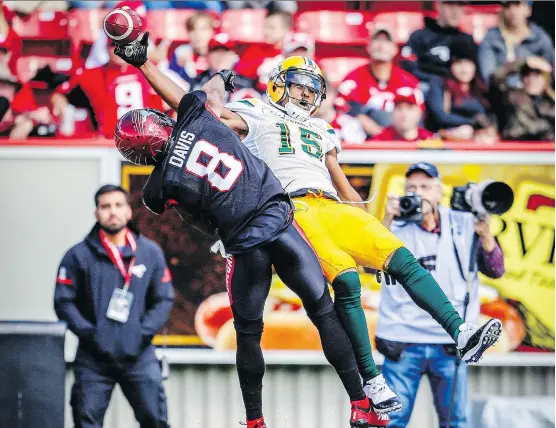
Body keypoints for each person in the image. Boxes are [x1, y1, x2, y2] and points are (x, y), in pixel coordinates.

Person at [111, 33, 389, 428]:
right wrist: (216, 78)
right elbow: (197, 98)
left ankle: (255, 421)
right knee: (323, 310)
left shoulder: (157, 189)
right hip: (278, 220)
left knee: (247, 334)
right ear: (159, 123)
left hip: (242, 242)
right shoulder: (195, 116)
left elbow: (189, 215)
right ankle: (361, 401)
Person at [220, 55, 503, 414]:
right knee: (347, 281)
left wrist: (370, 228)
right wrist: (214, 85)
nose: (306, 95)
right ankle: (371, 378)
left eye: (312, 89)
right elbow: (210, 117)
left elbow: (345, 187)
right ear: (278, 83)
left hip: (333, 206)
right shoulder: (255, 111)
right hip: (291, 208)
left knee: (401, 258)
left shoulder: (322, 128)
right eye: (299, 86)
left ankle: (461, 333)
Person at [376, 162, 505, 428]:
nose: (418, 193)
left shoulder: (462, 220)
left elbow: (496, 269)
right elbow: (369, 265)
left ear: (439, 192)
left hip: (453, 342)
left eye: (425, 187)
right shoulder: (391, 227)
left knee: (456, 421)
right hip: (403, 340)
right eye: (411, 188)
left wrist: (485, 233)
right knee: (391, 421)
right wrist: (386, 219)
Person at [54, 184, 174, 428]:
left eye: (118, 205)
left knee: (155, 420)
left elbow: (164, 299)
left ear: (129, 211)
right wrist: (90, 334)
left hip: (140, 356)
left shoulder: (150, 253)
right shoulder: (77, 255)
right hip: (93, 359)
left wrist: (141, 333)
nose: (112, 212)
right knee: (86, 422)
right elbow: (63, 301)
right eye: (105, 206)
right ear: (96, 214)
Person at [337, 25, 422, 138]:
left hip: (399, 139)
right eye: (377, 40)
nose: (381, 46)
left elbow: (417, 115)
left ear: (395, 49)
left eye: (387, 41)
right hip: (364, 141)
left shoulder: (408, 82)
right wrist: (381, 135)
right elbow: (343, 109)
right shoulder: (353, 79)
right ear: (368, 46)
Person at [400, 1, 475, 90]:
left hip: (457, 95)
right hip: (426, 89)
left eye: (460, 5)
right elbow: (408, 67)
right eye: (450, 4)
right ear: (438, 5)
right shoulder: (419, 36)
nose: (455, 11)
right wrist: (432, 78)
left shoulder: (467, 40)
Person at [478, 0, 554, 87]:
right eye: (507, 6)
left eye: (517, 4)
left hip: (533, 96)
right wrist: (522, 63)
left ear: (528, 10)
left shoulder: (541, 39)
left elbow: (549, 74)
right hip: (501, 94)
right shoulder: (491, 39)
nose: (512, 11)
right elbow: (489, 78)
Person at [425, 40, 490, 141]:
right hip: (446, 135)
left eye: (468, 64)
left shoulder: (481, 88)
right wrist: (472, 122)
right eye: (459, 63)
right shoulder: (440, 83)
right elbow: (440, 116)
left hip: (478, 137)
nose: (464, 70)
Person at [489, 56, 554, 141]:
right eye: (527, 75)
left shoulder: (551, 102)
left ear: (545, 79)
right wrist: (524, 62)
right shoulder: (512, 97)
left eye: (536, 75)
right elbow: (496, 78)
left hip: (546, 150)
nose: (531, 80)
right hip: (516, 148)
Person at [372, 93, 437, 142]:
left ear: (420, 113)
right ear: (392, 113)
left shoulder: (429, 139)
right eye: (399, 108)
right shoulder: (381, 140)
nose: (403, 113)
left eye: (409, 108)